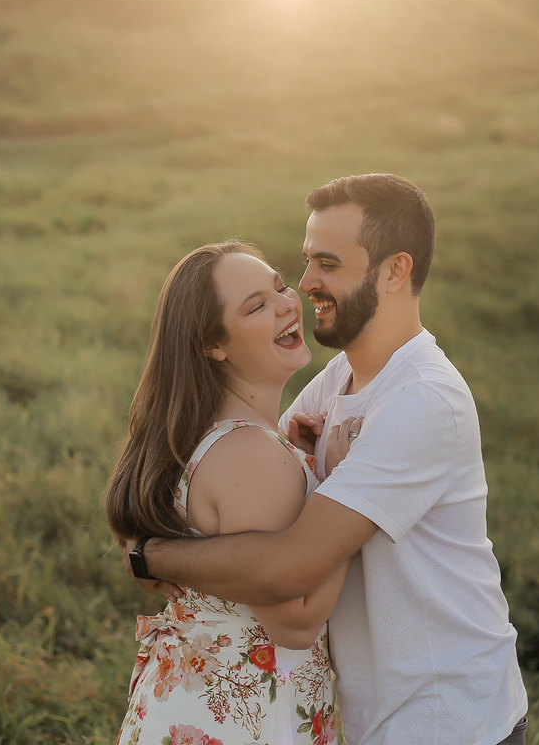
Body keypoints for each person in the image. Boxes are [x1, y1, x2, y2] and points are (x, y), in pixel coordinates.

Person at [125, 174, 529, 745]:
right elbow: (263, 460)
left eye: (328, 264)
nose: (305, 283)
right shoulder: (341, 377)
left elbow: (290, 565)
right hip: (370, 712)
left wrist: (152, 553)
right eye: (307, 260)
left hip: (442, 715)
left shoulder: (422, 401)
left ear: (395, 271)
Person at [105, 240, 351, 745]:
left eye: (280, 286)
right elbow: (297, 623)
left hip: (189, 709)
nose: (287, 303)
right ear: (213, 346)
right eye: (256, 306)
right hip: (243, 721)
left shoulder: (209, 436)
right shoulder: (249, 453)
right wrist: (345, 484)